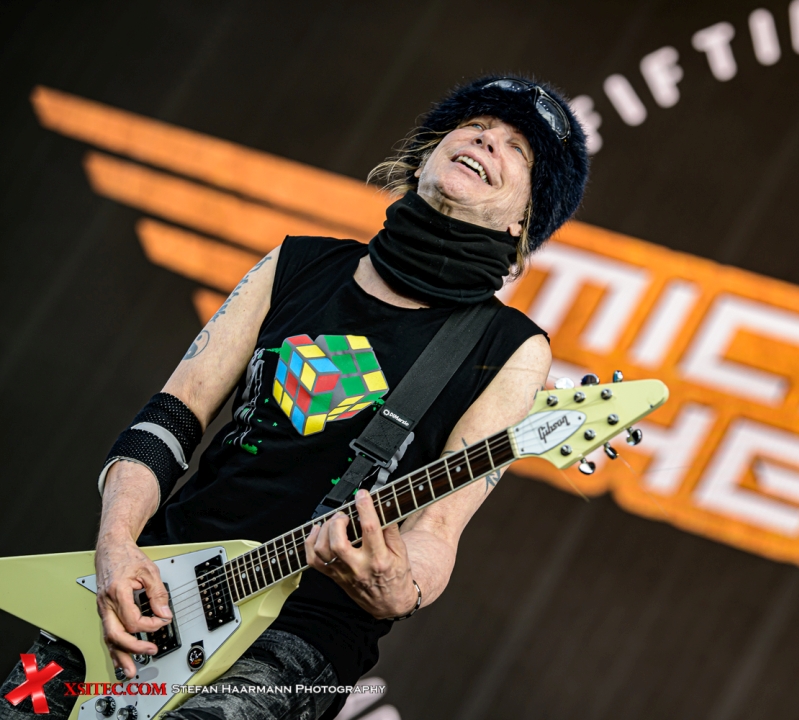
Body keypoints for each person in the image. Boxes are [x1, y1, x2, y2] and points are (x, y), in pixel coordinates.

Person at [0, 76, 589, 720]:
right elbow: (170, 417)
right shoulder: (296, 263)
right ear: (424, 155)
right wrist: (117, 543)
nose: (486, 140)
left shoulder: (511, 348)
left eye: (516, 148)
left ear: (523, 220)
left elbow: (438, 532)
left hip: (304, 634)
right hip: (154, 584)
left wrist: (398, 586)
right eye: (475, 125)